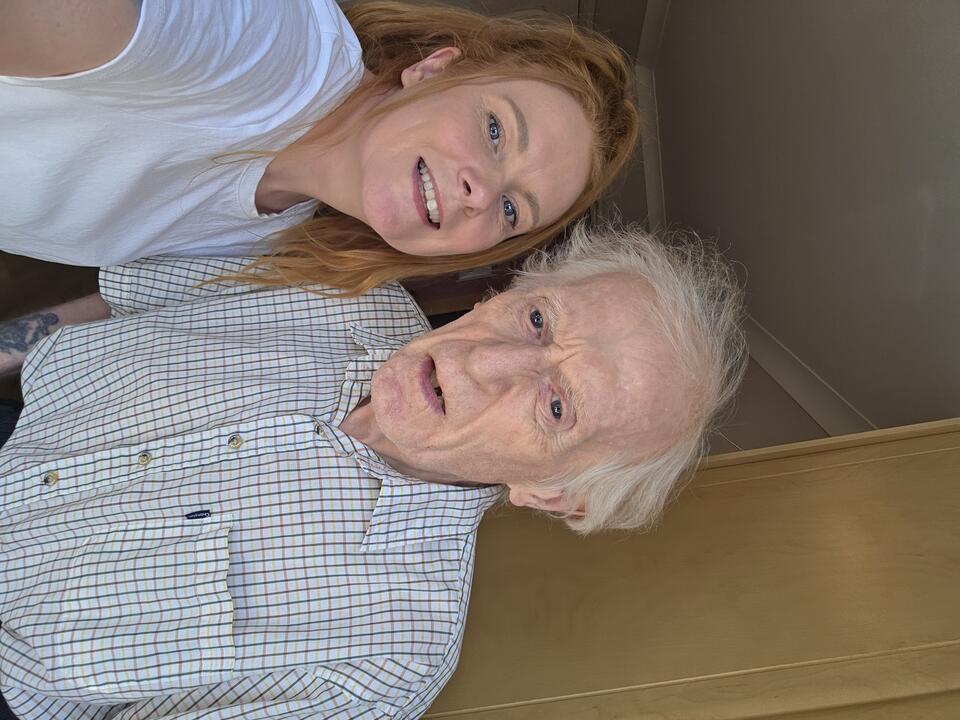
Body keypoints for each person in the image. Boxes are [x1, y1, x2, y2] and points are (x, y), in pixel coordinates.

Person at [0, 223, 745, 719]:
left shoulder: (382, 664)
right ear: (506, 292)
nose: (484, 364)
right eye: (539, 321)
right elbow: (126, 298)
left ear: (552, 494)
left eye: (557, 408)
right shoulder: (341, 285)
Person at [0, 0, 638, 294]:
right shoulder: (271, 49)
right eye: (497, 130)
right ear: (434, 68)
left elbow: (127, 299)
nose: (483, 192)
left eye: (511, 212)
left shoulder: (284, 234)